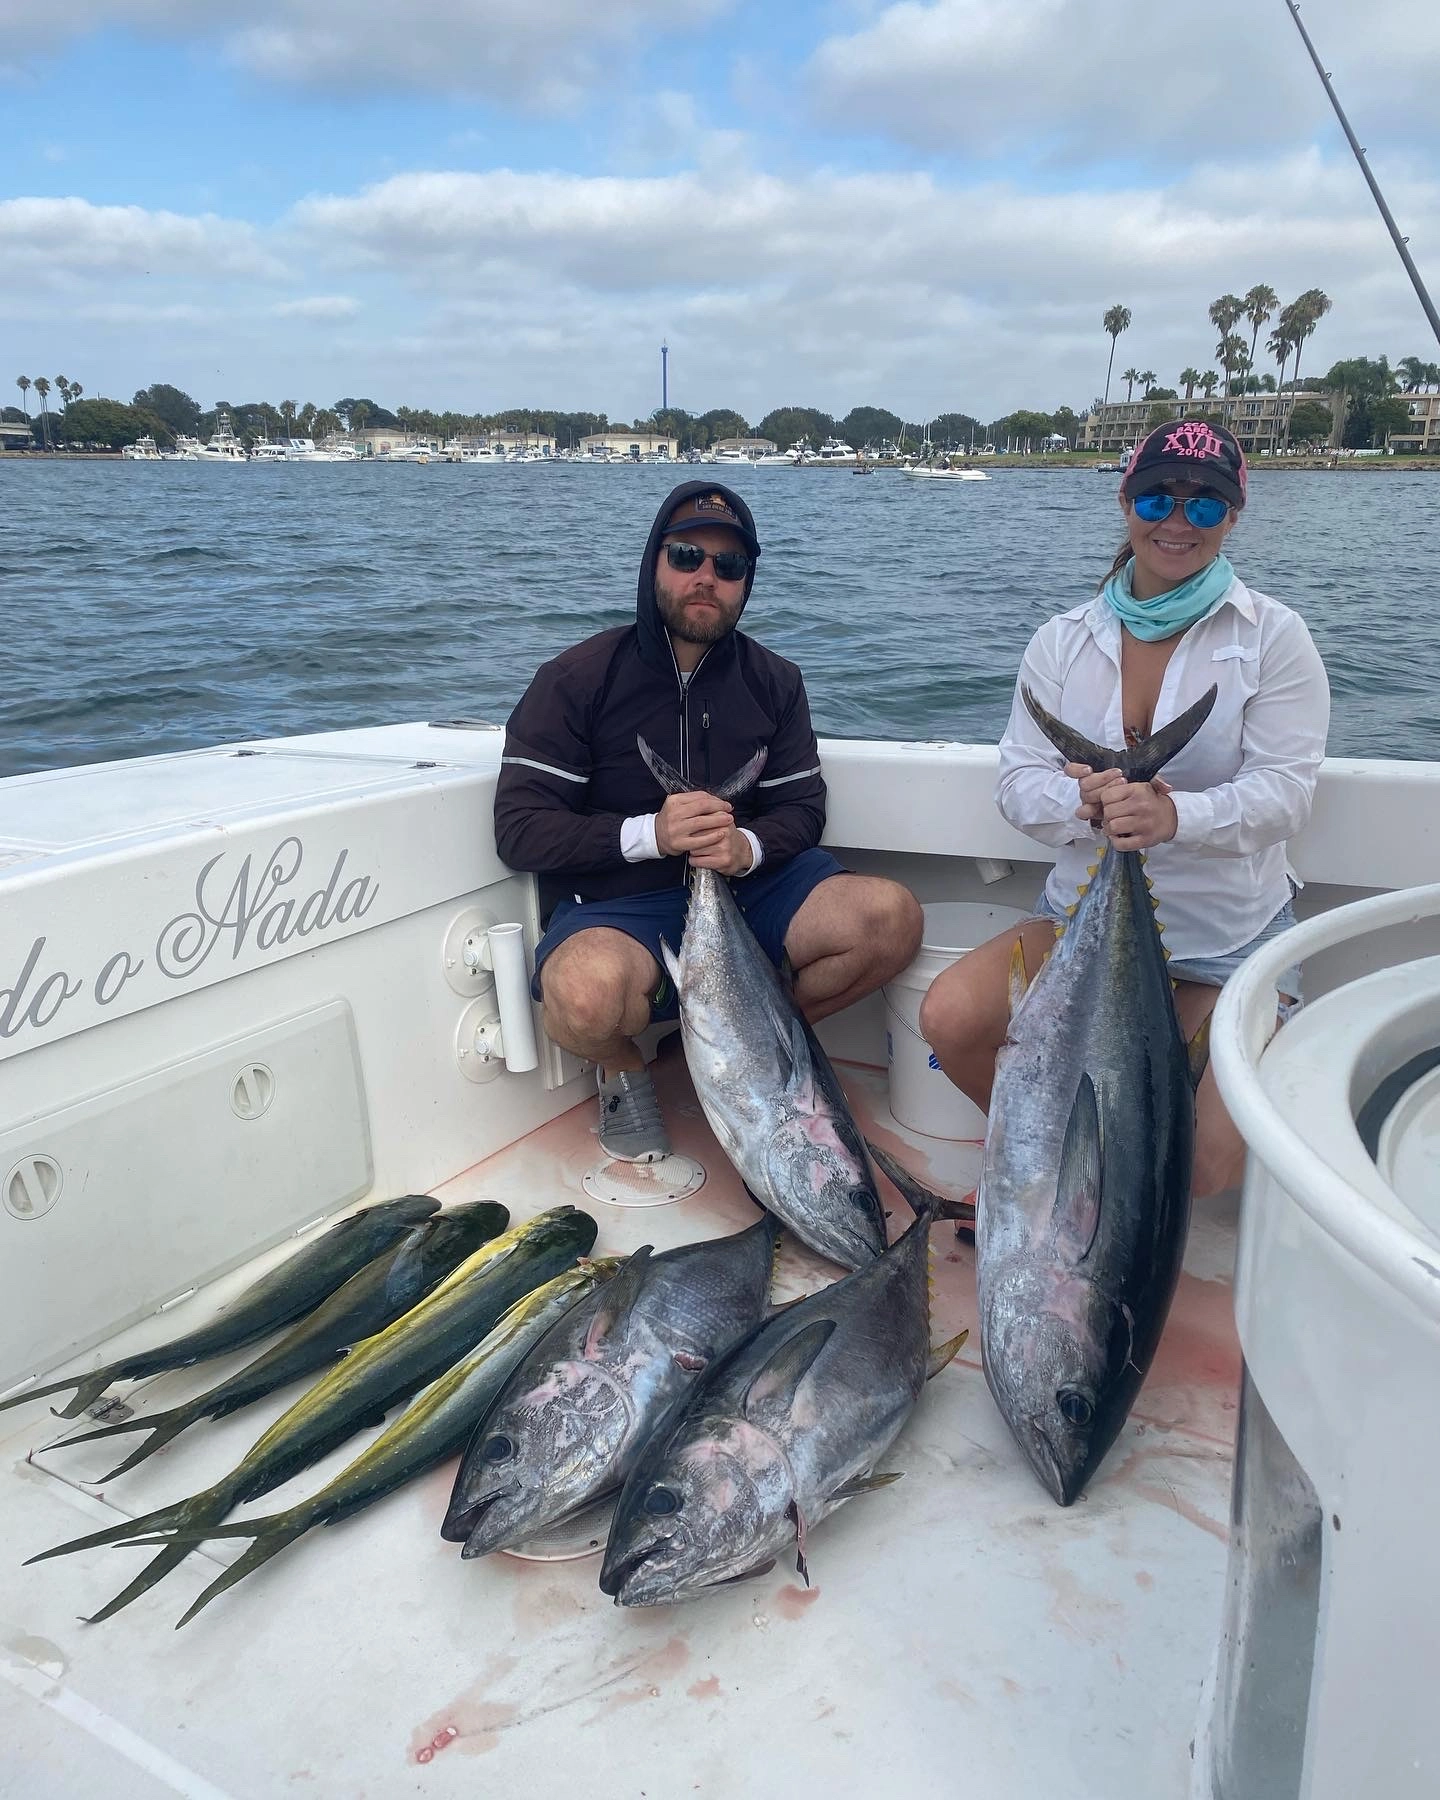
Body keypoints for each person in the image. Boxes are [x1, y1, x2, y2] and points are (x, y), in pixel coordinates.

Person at [920, 421, 1330, 1198]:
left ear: (1233, 516)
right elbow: (1018, 783)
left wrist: (1177, 818)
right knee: (950, 1018)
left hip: (1232, 943)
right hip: (1078, 923)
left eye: (1205, 504)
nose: (1178, 520)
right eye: (1157, 496)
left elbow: (1287, 794)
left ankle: (1108, 1177)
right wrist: (1085, 802)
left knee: (1205, 1166)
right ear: (1124, 501)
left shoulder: (1274, 637)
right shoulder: (1061, 642)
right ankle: (1051, 1169)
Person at [494, 480, 923, 1164]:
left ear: (747, 582)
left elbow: (803, 810)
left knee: (890, 916)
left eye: (729, 567)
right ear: (654, 562)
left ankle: (749, 1050)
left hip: (752, 890)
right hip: (622, 905)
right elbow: (519, 828)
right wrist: (648, 835)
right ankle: (631, 1069)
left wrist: (747, 846)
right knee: (581, 997)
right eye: (688, 555)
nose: (707, 578)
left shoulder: (775, 681)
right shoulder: (576, 679)